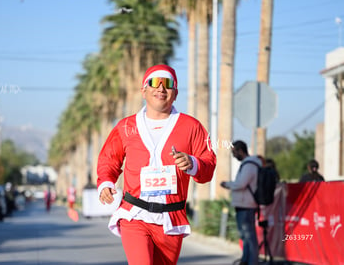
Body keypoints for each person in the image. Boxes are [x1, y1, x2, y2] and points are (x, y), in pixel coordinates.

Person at [97, 64, 216, 265]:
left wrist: (193, 163)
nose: (161, 88)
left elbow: (209, 166)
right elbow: (109, 158)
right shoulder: (126, 126)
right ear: (144, 90)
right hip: (134, 215)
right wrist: (106, 182)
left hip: (171, 220)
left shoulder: (191, 127)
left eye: (167, 84)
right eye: (154, 83)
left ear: (175, 94)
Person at [220, 140, 260, 265]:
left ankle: (252, 261)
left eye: (234, 152)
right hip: (244, 204)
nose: (233, 155)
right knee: (245, 237)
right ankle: (246, 260)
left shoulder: (249, 165)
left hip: (246, 205)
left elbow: (241, 184)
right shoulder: (248, 164)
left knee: (249, 237)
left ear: (240, 151)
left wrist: (227, 184)